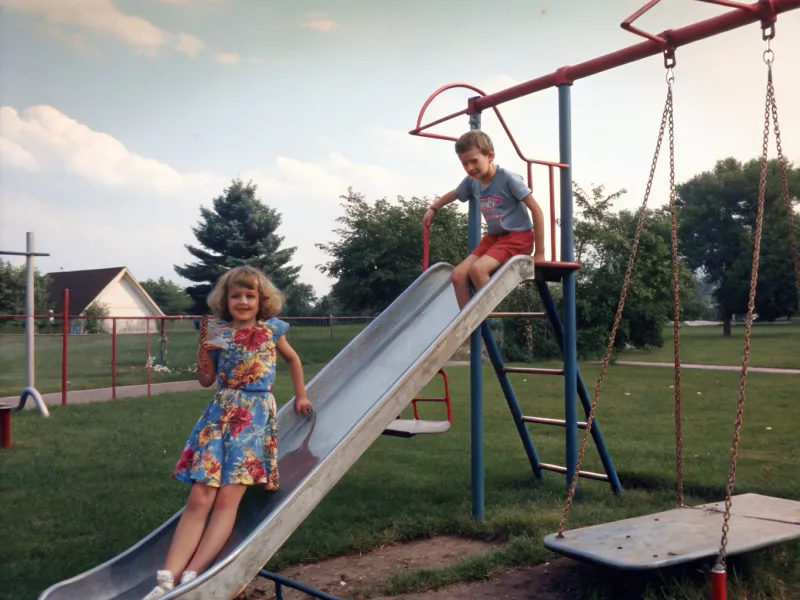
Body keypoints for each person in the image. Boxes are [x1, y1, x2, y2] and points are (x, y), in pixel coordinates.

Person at [143, 265, 313, 600]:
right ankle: (167, 577)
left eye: (250, 295)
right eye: (236, 295)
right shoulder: (217, 333)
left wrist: (301, 396)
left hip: (254, 417)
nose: (243, 301)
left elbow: (293, 361)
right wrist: (204, 355)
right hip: (220, 414)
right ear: (226, 300)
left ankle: (196, 572)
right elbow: (206, 380)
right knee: (200, 495)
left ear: (261, 300)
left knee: (227, 498)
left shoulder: (272, 330)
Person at [423, 130, 546, 309]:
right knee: (457, 275)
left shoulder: (508, 178)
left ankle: (484, 313)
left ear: (489, 156)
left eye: (474, 161)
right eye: (465, 163)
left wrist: (540, 252)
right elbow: (455, 194)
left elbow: (536, 210)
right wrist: (433, 207)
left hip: (517, 238)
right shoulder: (472, 181)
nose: (470, 167)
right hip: (494, 239)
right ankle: (466, 323)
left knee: (478, 270)